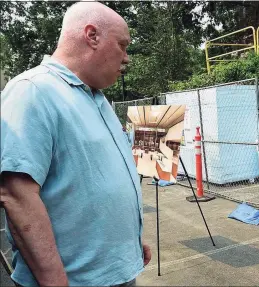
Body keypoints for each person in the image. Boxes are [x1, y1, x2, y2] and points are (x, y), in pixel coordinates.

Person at [0, 2, 151, 286]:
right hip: (74, 280)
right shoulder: (33, 91)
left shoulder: (95, 97)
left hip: (113, 270)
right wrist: (55, 281)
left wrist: (127, 244)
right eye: (123, 45)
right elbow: (16, 195)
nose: (127, 58)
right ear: (92, 36)